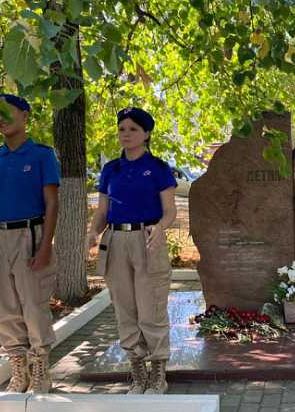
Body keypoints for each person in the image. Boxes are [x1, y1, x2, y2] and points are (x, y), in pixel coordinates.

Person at [0, 94, 60, 393]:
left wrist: (45, 246)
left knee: (33, 304)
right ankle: (18, 368)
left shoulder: (42, 155)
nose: (1, 119)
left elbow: (51, 203)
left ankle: (41, 369)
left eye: (7, 113)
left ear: (25, 115)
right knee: (5, 306)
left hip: (28, 235)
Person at [88, 107, 177, 394]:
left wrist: (161, 227)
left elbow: (170, 211)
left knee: (150, 307)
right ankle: (137, 371)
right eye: (122, 128)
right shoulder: (110, 169)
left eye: (133, 129)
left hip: (147, 240)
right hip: (116, 241)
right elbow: (103, 210)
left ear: (147, 133)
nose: (126, 134)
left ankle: (158, 373)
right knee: (124, 307)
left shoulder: (159, 168)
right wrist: (92, 232)